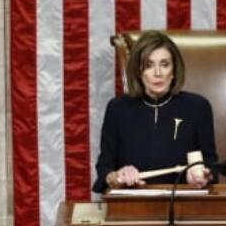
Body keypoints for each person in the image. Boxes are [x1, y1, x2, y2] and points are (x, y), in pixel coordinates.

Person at [92, 31, 217, 193]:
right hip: (132, 207)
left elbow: (211, 164)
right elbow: (104, 167)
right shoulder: (118, 108)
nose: (158, 73)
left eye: (165, 64)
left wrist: (204, 176)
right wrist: (116, 176)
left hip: (183, 204)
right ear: (138, 72)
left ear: (173, 71)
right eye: (149, 65)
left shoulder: (198, 107)